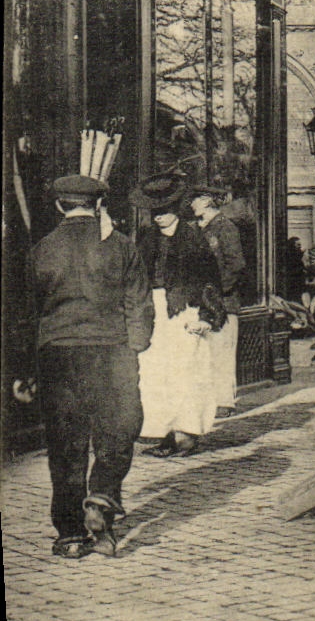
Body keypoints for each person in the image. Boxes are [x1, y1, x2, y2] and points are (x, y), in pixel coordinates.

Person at [18, 174, 152, 558]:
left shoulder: (42, 250)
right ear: (97, 205)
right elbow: (139, 303)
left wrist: (25, 369)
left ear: (59, 206)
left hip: (58, 354)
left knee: (66, 445)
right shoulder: (122, 246)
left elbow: (27, 313)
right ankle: (103, 494)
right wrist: (136, 345)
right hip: (111, 351)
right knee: (119, 430)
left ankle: (71, 535)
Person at [130, 173, 224, 458]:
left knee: (187, 373)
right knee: (158, 375)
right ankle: (166, 433)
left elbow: (210, 280)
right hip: (154, 314)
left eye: (164, 210)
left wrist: (206, 317)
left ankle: (186, 434)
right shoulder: (147, 239)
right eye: (155, 212)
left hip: (185, 312)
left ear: (176, 209)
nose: (159, 217)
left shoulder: (193, 238)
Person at [191, 184, 246, 413]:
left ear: (206, 201)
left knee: (222, 352)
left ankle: (224, 402)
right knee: (204, 354)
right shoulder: (197, 228)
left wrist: (214, 292)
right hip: (200, 303)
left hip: (222, 303)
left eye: (195, 199)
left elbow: (236, 265)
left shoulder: (225, 227)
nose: (191, 204)